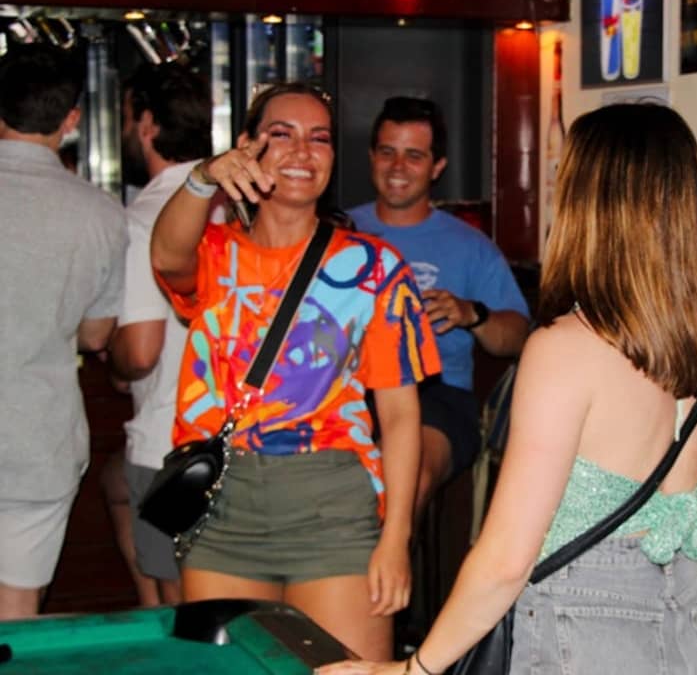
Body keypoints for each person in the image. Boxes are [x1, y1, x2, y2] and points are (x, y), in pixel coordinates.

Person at [318, 103, 697, 675]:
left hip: (582, 639)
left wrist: (414, 669)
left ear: (587, 203)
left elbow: (506, 559)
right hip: (687, 630)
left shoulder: (566, 348)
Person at [149, 82, 441, 659]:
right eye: (281, 134)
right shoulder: (215, 253)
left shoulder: (374, 268)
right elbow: (166, 256)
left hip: (332, 505)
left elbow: (401, 416)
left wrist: (396, 538)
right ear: (246, 146)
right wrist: (203, 178)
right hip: (224, 505)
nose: (303, 152)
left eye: (319, 138)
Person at [351, 96, 530, 524]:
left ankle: (387, 562)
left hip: (437, 394)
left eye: (414, 156)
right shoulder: (339, 231)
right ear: (372, 157)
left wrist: (473, 315)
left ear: (437, 167)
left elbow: (519, 336)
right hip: (345, 390)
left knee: (404, 479)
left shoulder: (470, 246)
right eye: (387, 152)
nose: (398, 167)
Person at [0, 42, 127, 620]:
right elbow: (97, 336)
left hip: (37, 441)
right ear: (72, 117)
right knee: (17, 612)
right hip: (37, 440)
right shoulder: (100, 213)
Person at [108, 62, 219, 607]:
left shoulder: (146, 217)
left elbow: (141, 351)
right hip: (243, 438)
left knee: (183, 606)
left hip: (170, 441)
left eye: (127, 118)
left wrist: (110, 354)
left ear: (148, 124)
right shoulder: (242, 206)